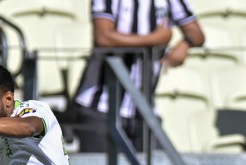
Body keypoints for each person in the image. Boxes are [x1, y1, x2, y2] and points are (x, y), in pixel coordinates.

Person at [73, 0, 205, 152]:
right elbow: (104, 38)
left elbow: (196, 33)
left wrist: (185, 44)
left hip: (145, 111)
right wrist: (156, 39)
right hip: (100, 109)